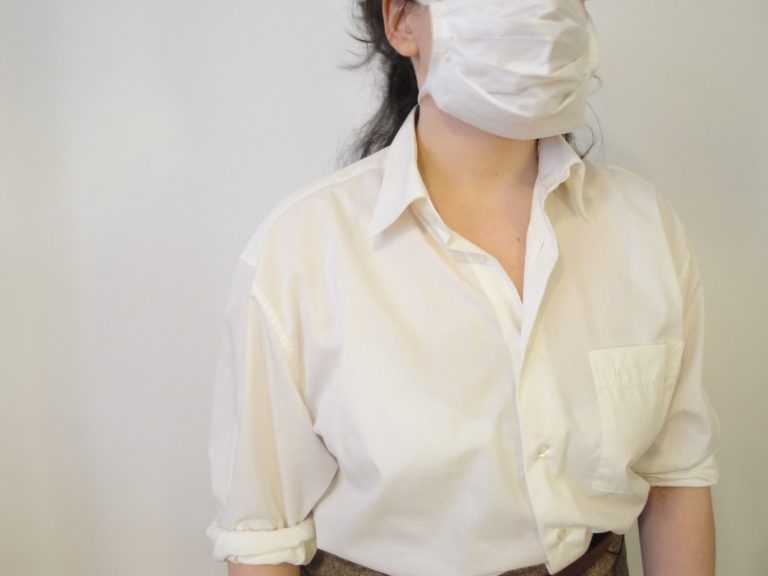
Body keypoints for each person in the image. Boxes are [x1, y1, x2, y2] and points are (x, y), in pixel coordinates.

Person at [206, 1, 721, 575]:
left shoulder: (642, 228)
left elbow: (675, 477)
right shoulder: (301, 254)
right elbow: (263, 538)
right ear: (402, 21)